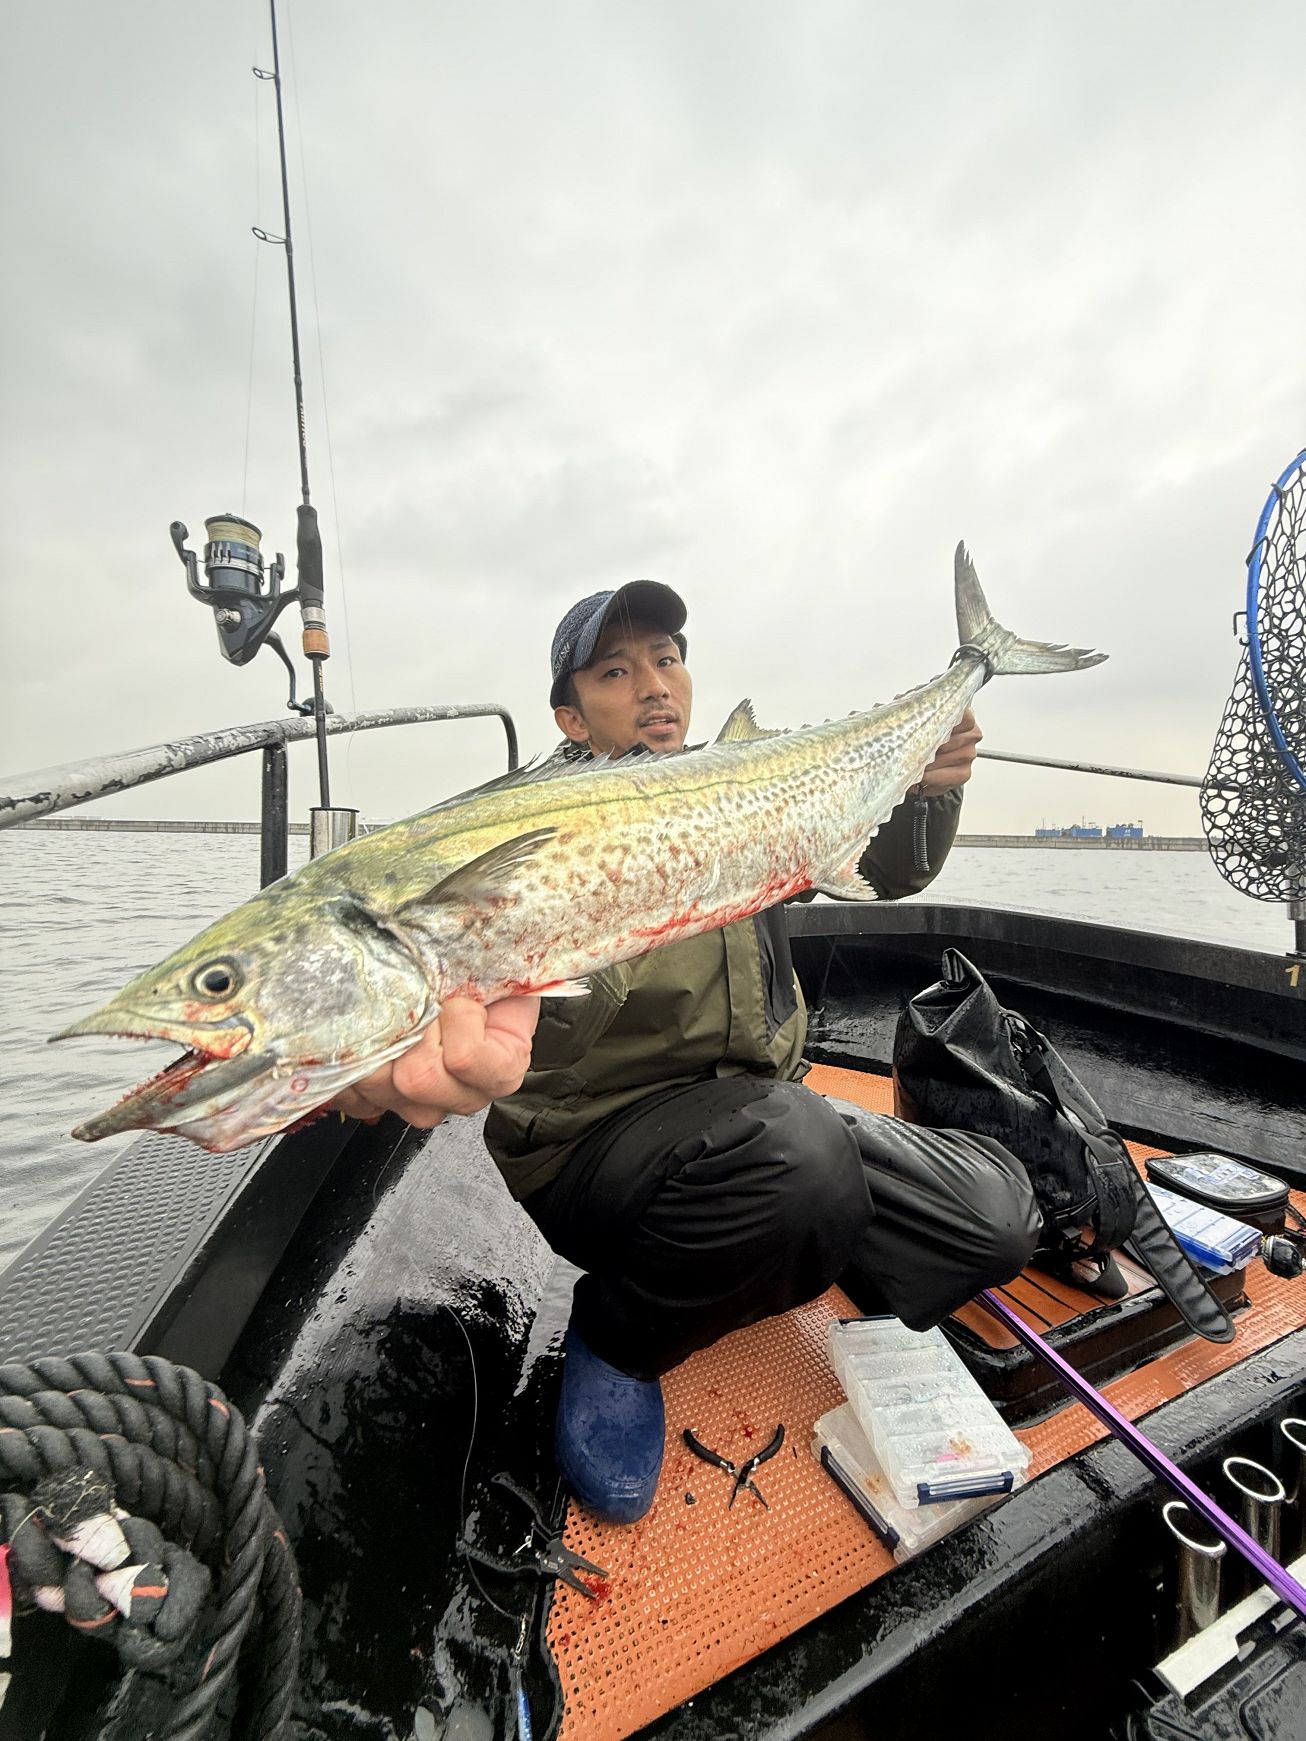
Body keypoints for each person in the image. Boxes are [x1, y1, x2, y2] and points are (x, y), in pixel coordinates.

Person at [336, 581, 1040, 1524]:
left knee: (997, 1219)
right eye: (615, 672)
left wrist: (931, 789)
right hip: (598, 1145)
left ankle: (801, 1235)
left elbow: (884, 870)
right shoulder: (537, 832)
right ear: (570, 715)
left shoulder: (735, 793)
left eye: (667, 659)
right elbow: (532, 1040)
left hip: (758, 1119)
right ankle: (620, 1339)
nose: (654, 685)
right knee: (805, 1162)